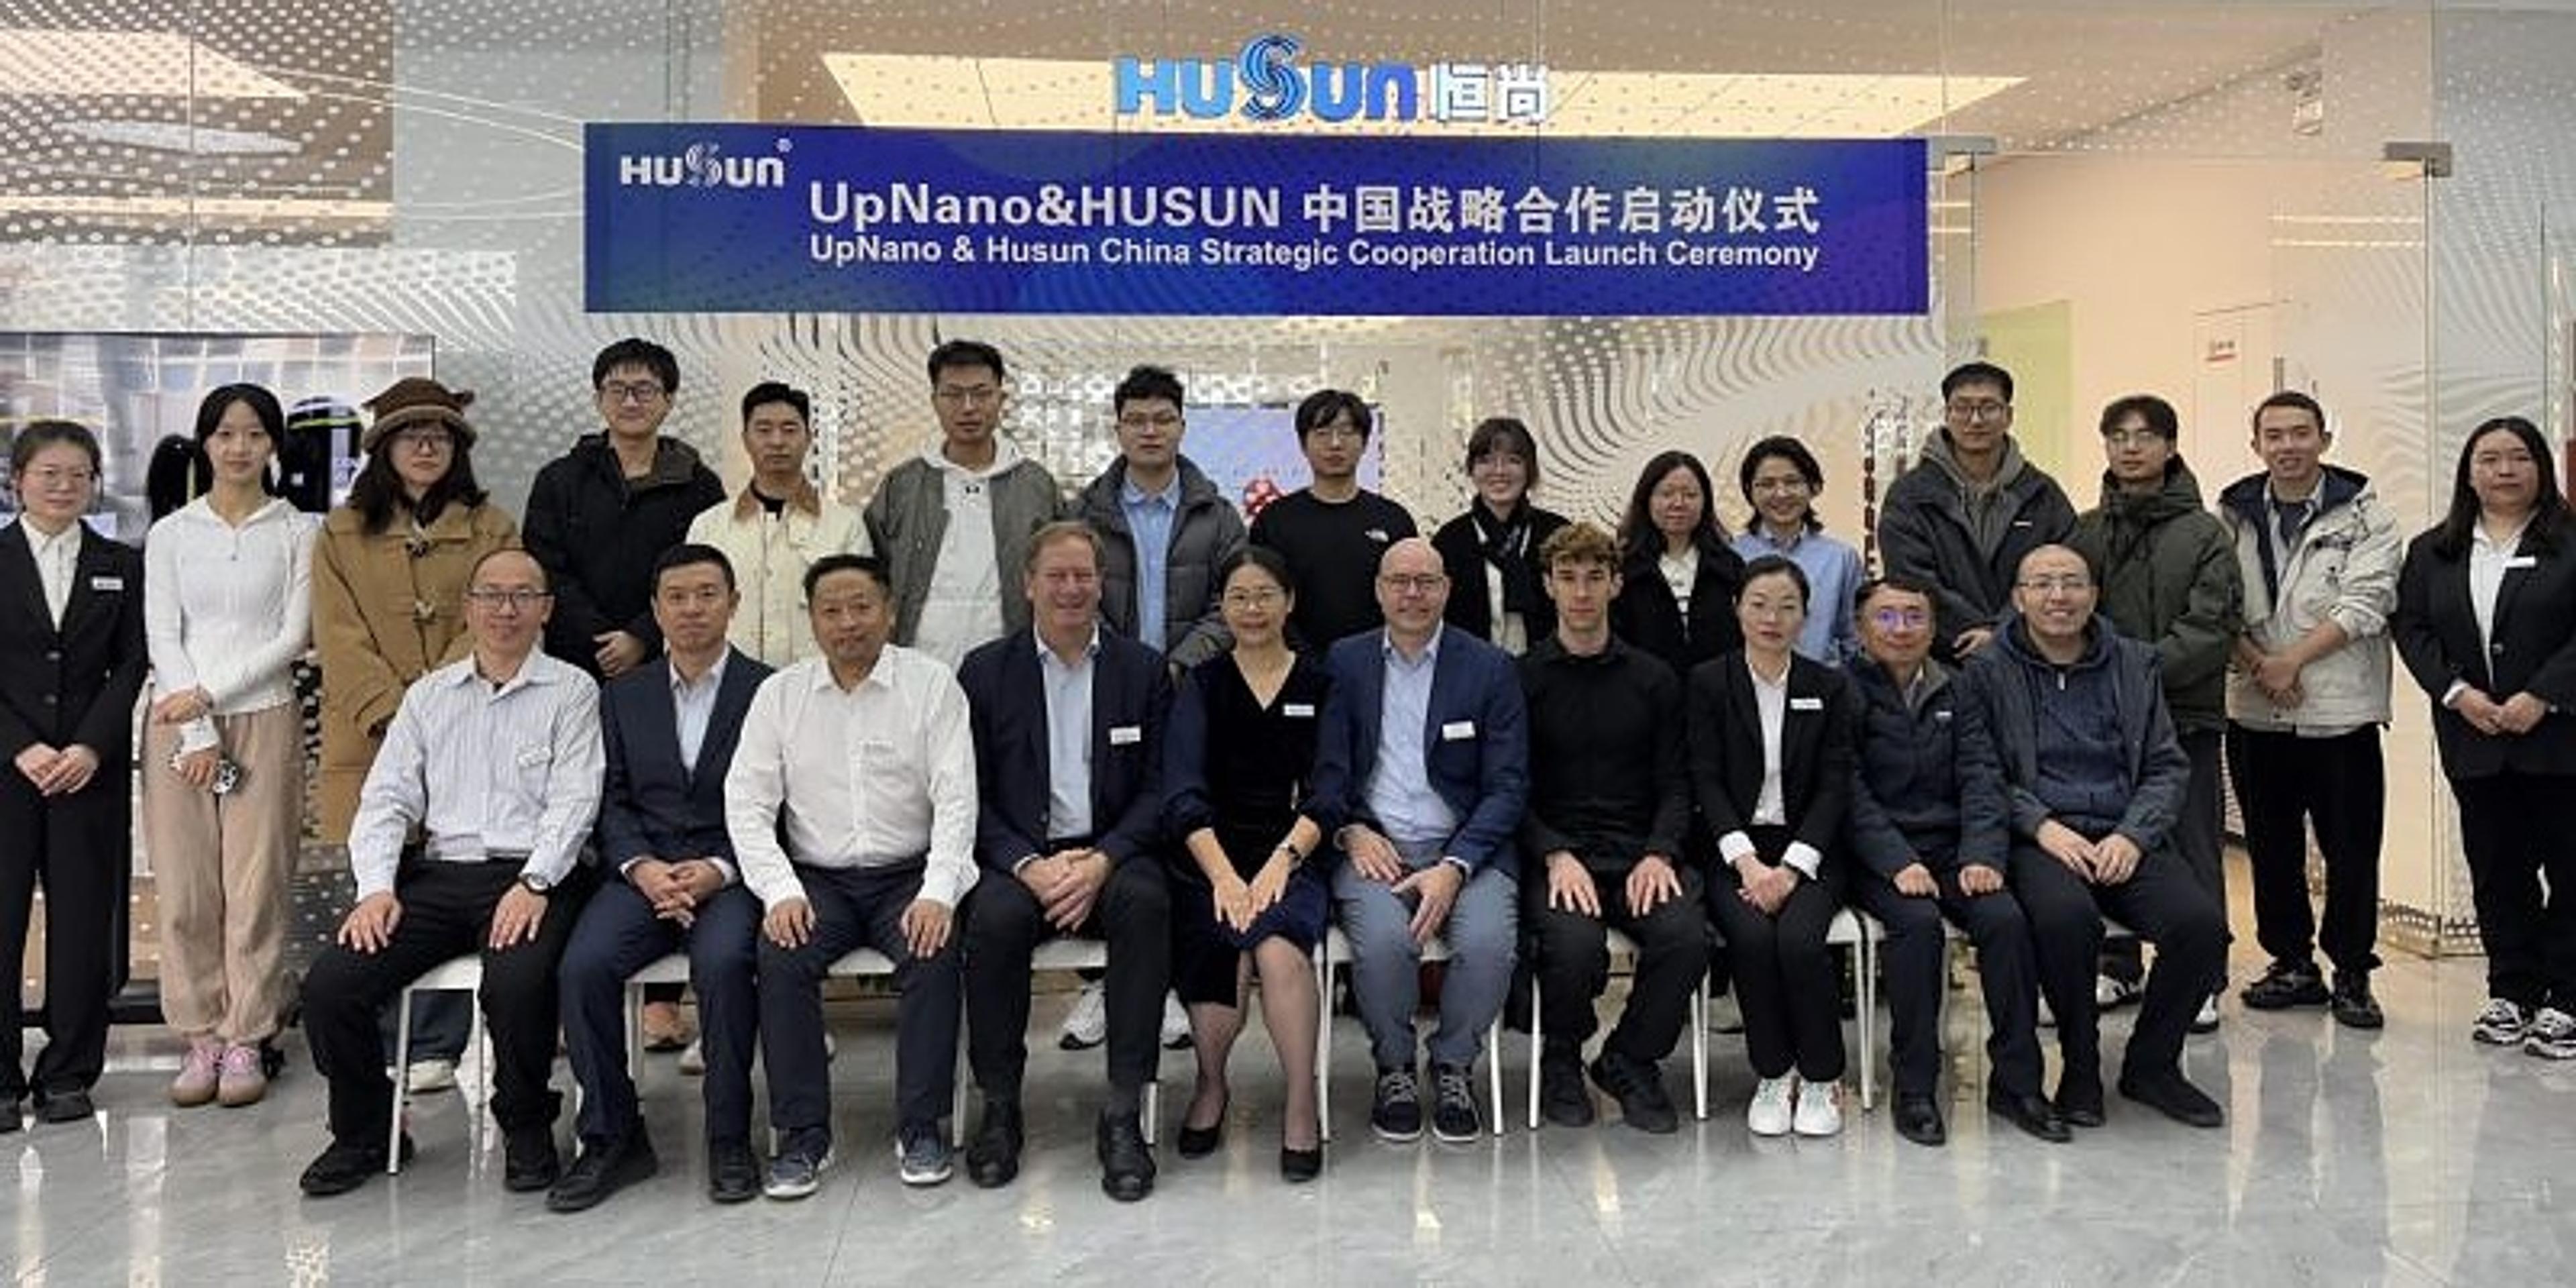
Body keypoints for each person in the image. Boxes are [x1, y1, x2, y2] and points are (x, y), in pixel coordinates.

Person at [297, 547, 605, 1195]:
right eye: (491, 595)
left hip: (534, 875)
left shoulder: (573, 690)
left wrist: (537, 882)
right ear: (468, 607)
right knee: (331, 987)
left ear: (546, 610)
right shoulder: (428, 698)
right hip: (439, 877)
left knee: (517, 984)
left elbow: (577, 799)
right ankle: (365, 1131)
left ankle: (524, 1124)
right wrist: (375, 890)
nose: (506, 609)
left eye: (523, 596)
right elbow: (386, 800)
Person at [729, 553, 979, 1197]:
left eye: (861, 607)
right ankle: (803, 1135)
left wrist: (939, 893)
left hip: (909, 875)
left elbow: (957, 797)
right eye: (831, 611)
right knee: (781, 955)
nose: (848, 623)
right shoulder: (780, 696)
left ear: (889, 611)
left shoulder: (931, 685)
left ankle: (921, 1128)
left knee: (933, 952)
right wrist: (780, 891)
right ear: (812, 620)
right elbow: (746, 803)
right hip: (818, 880)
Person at [548, 545, 773, 1212]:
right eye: (676, 597)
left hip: (731, 874)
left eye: (707, 594)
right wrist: (643, 868)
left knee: (726, 965)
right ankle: (611, 1135)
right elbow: (609, 799)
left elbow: (784, 801)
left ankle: (729, 1137)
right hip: (641, 874)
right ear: (655, 609)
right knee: (583, 968)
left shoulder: (770, 692)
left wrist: (719, 869)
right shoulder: (622, 696)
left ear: (733, 603)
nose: (692, 609)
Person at [1973, 545, 2229, 1130]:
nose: (2058, 596)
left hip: (2124, 835)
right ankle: (2081, 1066)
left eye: (2072, 583)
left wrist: (2133, 835)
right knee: (2067, 920)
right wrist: (2042, 826)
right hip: (2041, 840)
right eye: (2042, 584)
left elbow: (2166, 765)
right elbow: (1982, 772)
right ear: (2018, 598)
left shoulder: (2134, 663)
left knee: (2201, 927)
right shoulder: (1989, 671)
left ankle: (2152, 1065)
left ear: (2093, 595)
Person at [955, 523, 1173, 1201]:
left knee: (1147, 905)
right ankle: (999, 1107)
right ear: (1028, 584)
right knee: (992, 921)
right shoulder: (984, 672)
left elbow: (1161, 789)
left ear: (1102, 583)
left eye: (1084, 576)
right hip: (1020, 859)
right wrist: (1027, 865)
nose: (1071, 589)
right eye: (1057, 576)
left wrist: (1102, 861)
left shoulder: (1142, 669)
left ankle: (1123, 1112)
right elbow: (968, 794)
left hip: (1112, 853)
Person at [313, 376, 517, 1091]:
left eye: (439, 437)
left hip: (471, 724)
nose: (426, 448)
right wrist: (394, 711)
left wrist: (441, 704)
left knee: (451, 878)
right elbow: (337, 633)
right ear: (384, 449)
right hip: (369, 731)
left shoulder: (492, 527)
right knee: (378, 884)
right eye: (410, 436)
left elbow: (496, 617)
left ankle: (435, 1043)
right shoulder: (340, 532)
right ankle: (374, 1051)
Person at [523, 337, 724, 1051]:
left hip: (664, 667)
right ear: (598, 397)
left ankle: (663, 1000)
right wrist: (598, 636)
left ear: (668, 401)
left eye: (645, 389)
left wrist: (642, 635)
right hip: (575, 668)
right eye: (618, 388)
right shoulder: (561, 479)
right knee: (578, 817)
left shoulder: (697, 485)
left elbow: (698, 574)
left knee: (663, 811)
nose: (631, 400)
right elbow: (547, 568)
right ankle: (569, 985)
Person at [1310, 537, 1527, 1145]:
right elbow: (1326, 769)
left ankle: (1453, 1063)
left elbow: (1509, 785)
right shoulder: (1344, 661)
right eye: (1399, 581)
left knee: (1488, 944)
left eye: (1426, 582)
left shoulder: (1489, 667)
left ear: (1447, 590)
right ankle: (1396, 1067)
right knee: (1384, 943)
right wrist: (1351, 830)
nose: (1413, 594)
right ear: (1379, 590)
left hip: (1469, 848)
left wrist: (1456, 864)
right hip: (1374, 846)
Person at [1841, 575, 2065, 1147]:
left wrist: (1982, 854)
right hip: (1878, 856)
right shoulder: (1843, 691)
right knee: (1917, 927)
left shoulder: (1960, 689)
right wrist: (1896, 861)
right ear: (1861, 629)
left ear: (1933, 627)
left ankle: (2017, 1084)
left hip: (1953, 850)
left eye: (1914, 616)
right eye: (1885, 617)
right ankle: (1915, 1086)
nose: (1901, 629)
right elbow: (1846, 791)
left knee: (2006, 920)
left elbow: (1983, 777)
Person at [143, 384, 317, 1110]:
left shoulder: (299, 529)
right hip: (176, 727)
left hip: (264, 719)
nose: (239, 447)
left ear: (273, 444)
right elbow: (163, 634)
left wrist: (210, 698)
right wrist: (195, 727)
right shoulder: (172, 533)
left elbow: (293, 636)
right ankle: (200, 1035)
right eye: (224, 433)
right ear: (205, 442)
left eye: (254, 434)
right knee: (186, 890)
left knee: (256, 888)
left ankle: (247, 1033)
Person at [2392, 416, 2576, 1060]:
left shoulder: (2569, 541)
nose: (2504, 470)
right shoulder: (2433, 550)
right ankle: (2511, 991)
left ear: (2541, 468)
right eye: (2489, 459)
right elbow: (2413, 628)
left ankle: (2566, 998)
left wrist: (2542, 695)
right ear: (2468, 473)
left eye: (2519, 457)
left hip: (2559, 738)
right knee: (2498, 870)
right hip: (2475, 736)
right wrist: (2457, 694)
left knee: (2569, 869)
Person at [2218, 391, 2400, 1029]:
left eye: (2301, 433)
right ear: (2256, 445)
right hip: (2255, 709)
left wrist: (2290, 662)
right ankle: (2292, 963)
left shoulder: (2366, 515)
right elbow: (2216, 602)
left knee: (2351, 849)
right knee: (2270, 846)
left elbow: (2367, 601)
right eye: (2274, 436)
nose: (2288, 446)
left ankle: (2352, 971)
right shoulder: (2231, 516)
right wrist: (2259, 665)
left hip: (2339, 712)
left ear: (2324, 439)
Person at [1517, 522, 1703, 1134]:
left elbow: (1677, 783)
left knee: (1685, 937)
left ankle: (1629, 1057)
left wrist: (1660, 852)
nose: (1581, 592)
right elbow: (1508, 789)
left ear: (1616, 584)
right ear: (1548, 586)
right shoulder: (1521, 679)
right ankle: (1562, 1057)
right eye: (1568, 578)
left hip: (1638, 850)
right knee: (1572, 948)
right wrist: (1552, 852)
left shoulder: (1654, 679)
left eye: (1595, 577)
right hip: (1559, 854)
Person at [2064, 394, 2242, 1028]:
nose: (2131, 448)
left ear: (2170, 447)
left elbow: (2213, 624)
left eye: (2145, 437)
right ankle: (2118, 965)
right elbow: (2066, 613)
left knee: (2191, 846)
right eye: (2118, 436)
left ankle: (2201, 978)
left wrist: (2134, 678)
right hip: (2100, 720)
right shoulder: (2086, 530)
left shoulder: (2205, 533)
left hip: (2183, 715)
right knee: (2108, 839)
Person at [1160, 547, 1333, 1181]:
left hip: (1296, 853)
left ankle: (1301, 1102)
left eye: (1265, 595)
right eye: (1239, 597)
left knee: (1280, 951)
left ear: (1290, 603)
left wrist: (1283, 862)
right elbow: (1182, 791)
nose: (1253, 608)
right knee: (1219, 942)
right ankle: (1211, 1083)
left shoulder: (1320, 684)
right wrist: (1225, 877)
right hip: (1211, 855)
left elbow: (1331, 790)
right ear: (1222, 607)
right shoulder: (1201, 685)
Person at [0, 421, 146, 1130]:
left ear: (94, 483)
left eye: (79, 475)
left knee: (85, 923)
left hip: (90, 773)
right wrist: (19, 746)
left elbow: (133, 663)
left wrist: (90, 746)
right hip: (7, 772)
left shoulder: (121, 563)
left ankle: (68, 1072)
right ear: (17, 481)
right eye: (49, 473)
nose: (64, 487)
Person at [1688, 555, 1859, 1138]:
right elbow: (1705, 778)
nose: (1772, 618)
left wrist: (1790, 869)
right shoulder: (1708, 682)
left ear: (1805, 616)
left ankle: (1821, 1076)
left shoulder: (1828, 686)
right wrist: (1746, 863)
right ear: (1737, 609)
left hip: (1811, 849)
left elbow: (1835, 785)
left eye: (1787, 607)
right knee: (1753, 939)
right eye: (1759, 605)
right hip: (1733, 849)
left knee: (1800, 940)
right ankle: (1773, 1072)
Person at [865, 339, 1067, 672]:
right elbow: (871, 575)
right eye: (953, 395)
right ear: (935, 401)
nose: (968, 407)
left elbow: (1059, 577)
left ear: (1001, 398)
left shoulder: (1036, 486)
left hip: (1012, 666)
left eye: (982, 394)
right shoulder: (903, 485)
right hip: (917, 665)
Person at [1877, 361, 2077, 661]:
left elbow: (2063, 570)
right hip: (1940, 659)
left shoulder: (2041, 493)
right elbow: (1911, 577)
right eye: (1962, 408)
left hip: (2029, 656)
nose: (1975, 419)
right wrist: (1975, 633)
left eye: (1988, 407)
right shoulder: (1910, 494)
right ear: (1946, 415)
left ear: (2009, 416)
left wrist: (2002, 632)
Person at [685, 381, 870, 667]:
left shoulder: (846, 526)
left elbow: (861, 614)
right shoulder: (709, 527)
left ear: (809, 438)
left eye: (789, 429)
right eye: (763, 430)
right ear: (745, 439)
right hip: (731, 681)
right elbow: (688, 613)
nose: (777, 441)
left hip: (816, 681)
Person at [1078, 363, 1247, 669]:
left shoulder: (1219, 517)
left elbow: (1233, 602)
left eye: (1163, 420)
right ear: (1118, 431)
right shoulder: (1083, 516)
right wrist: (1123, 664)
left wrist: (1180, 666)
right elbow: (1071, 597)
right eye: (1136, 421)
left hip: (1196, 679)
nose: (1150, 432)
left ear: (1182, 427)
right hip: (1106, 674)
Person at [1248, 388, 1418, 651]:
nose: (1335, 443)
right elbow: (1263, 598)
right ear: (1303, 444)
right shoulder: (1274, 521)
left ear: (1365, 442)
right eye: (1322, 433)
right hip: (1293, 664)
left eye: (1347, 432)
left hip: (1378, 662)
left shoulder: (1393, 519)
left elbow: (1408, 596)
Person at [1432, 416, 1568, 655]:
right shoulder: (1450, 540)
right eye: (1486, 461)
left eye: (1513, 461)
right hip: (1472, 668)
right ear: (1472, 470)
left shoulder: (1558, 534)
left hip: (1549, 667)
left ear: (1530, 469)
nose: (1499, 471)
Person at [1609, 449, 1746, 678]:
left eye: (1690, 495)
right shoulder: (1624, 567)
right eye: (1666, 494)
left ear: (1705, 502)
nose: (1678, 503)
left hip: (1718, 691)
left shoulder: (1729, 565)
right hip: (1644, 691)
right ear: (1647, 499)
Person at [1731, 435, 1862, 662]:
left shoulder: (1841, 558)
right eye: (1767, 484)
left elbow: (1853, 639)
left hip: (1824, 680)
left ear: (1814, 487)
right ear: (1749, 491)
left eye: (1792, 482)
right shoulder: (1731, 555)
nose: (1781, 494)